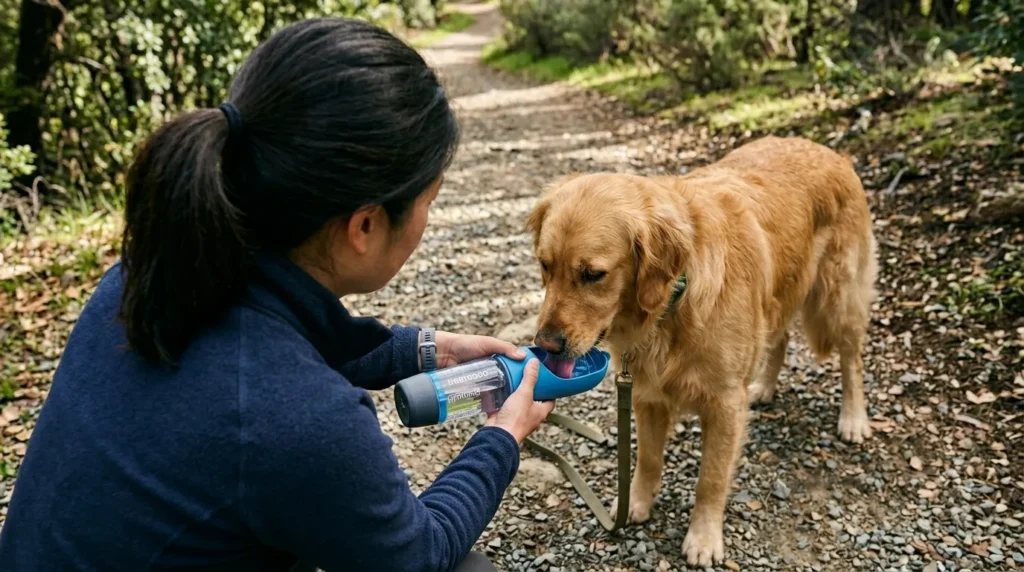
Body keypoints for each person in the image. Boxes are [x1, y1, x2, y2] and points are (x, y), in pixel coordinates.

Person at [0, 18, 554, 572]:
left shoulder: (147, 275)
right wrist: (501, 437)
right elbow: (417, 554)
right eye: (429, 200)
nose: (428, 219)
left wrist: (430, 351)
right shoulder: (302, 420)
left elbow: (283, 346)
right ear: (364, 227)